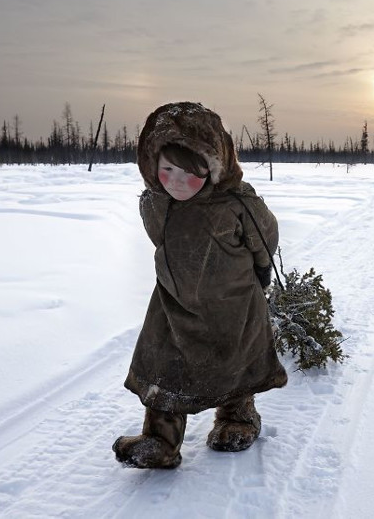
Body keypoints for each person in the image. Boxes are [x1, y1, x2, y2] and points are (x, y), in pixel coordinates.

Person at [113, 101, 288, 469]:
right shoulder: (156, 204)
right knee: (165, 368)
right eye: (167, 169)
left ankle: (237, 418)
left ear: (214, 167)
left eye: (190, 172)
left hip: (232, 304)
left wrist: (257, 278)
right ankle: (160, 441)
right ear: (152, 165)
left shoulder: (238, 204)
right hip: (173, 306)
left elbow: (265, 241)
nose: (176, 181)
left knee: (234, 364)